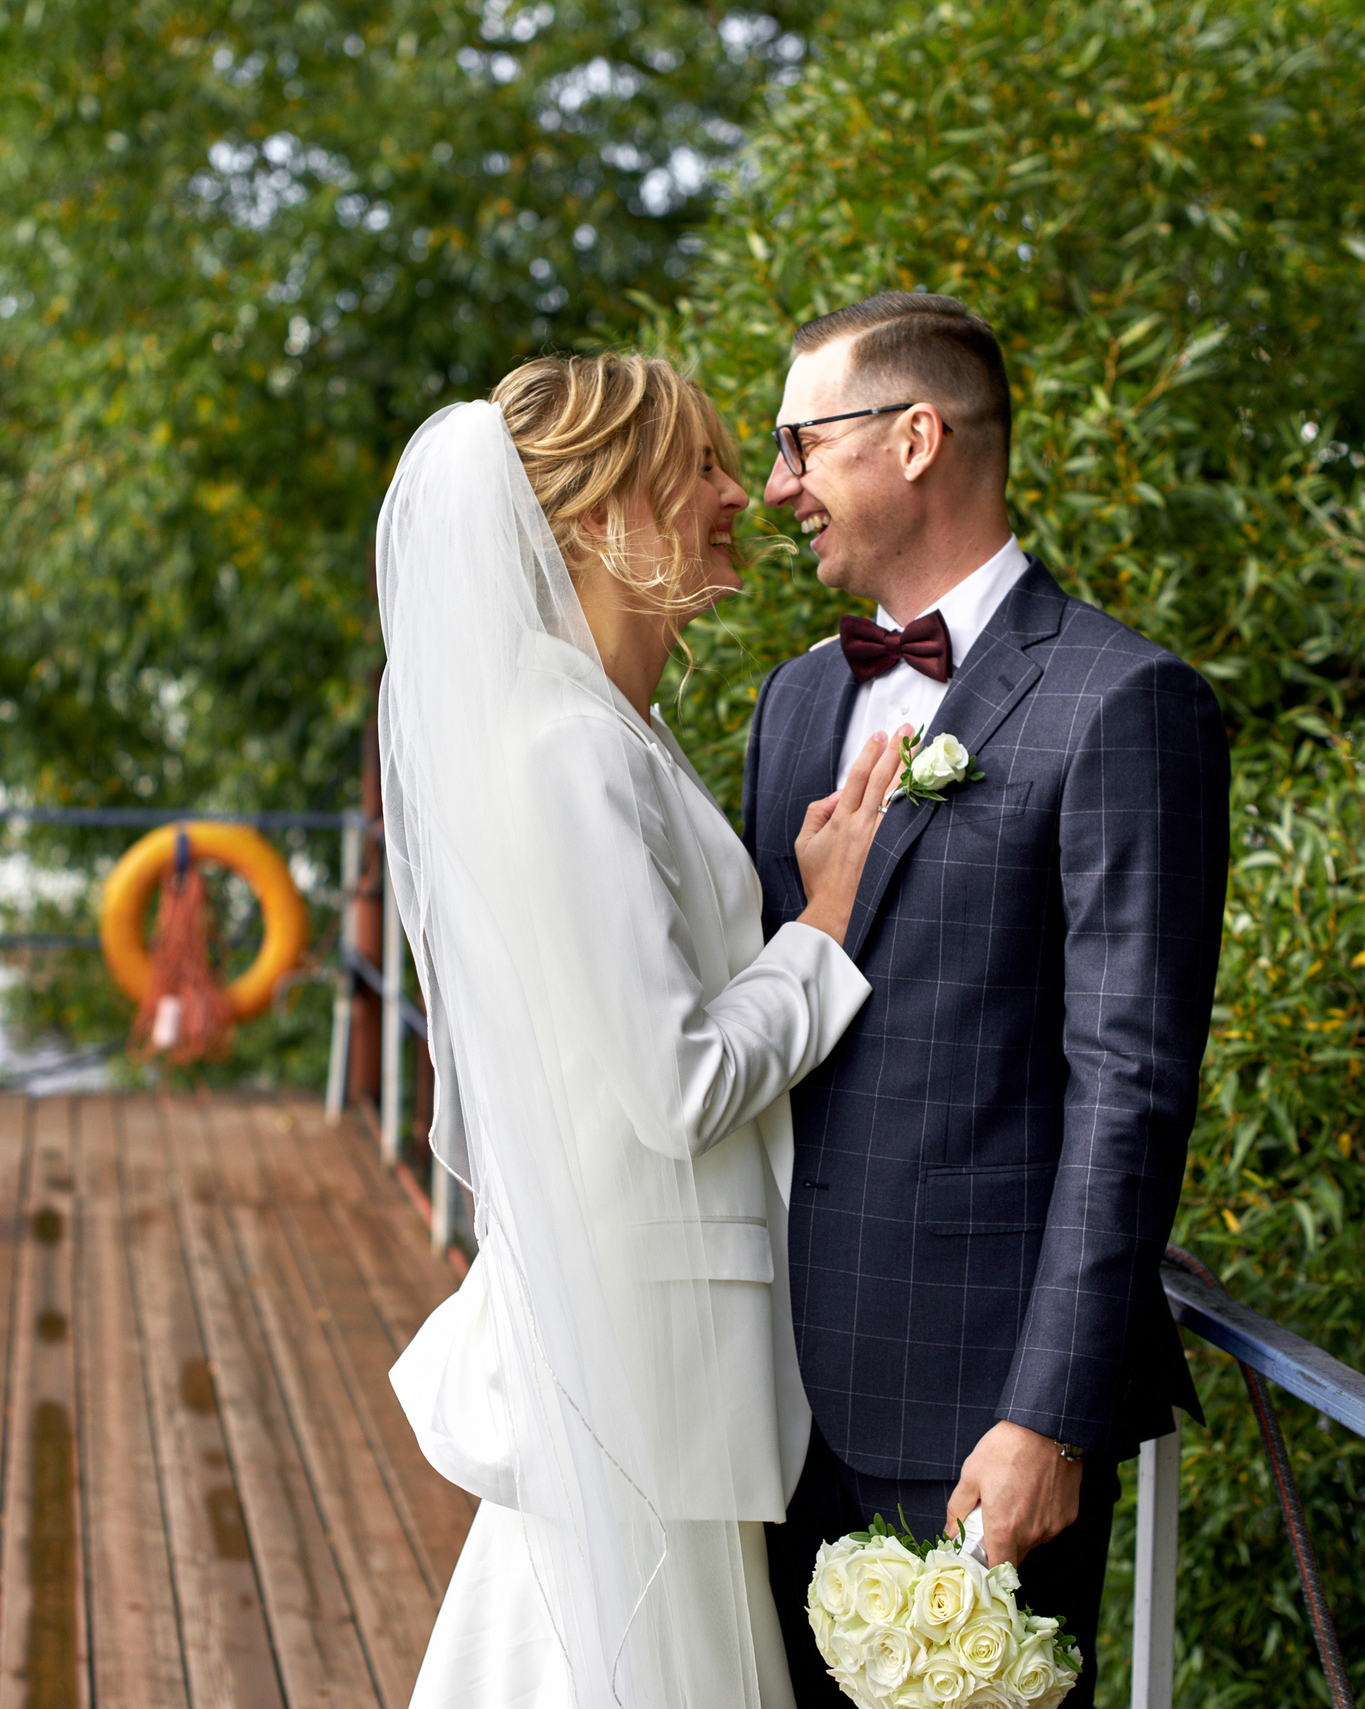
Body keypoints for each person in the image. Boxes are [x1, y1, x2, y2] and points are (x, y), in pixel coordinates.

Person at [381, 353, 910, 1709]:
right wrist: (823, 928)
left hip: (655, 1362)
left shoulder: (612, 727)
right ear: (596, 513)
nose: (742, 492)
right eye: (704, 466)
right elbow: (674, 1084)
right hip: (643, 1366)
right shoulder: (568, 748)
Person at [743, 293, 1231, 1703]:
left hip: (975, 1417)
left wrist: (1049, 1413)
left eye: (799, 443)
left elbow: (1130, 1079)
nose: (778, 487)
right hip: (766, 1398)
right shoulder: (791, 701)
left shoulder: (1122, 701)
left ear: (914, 437)